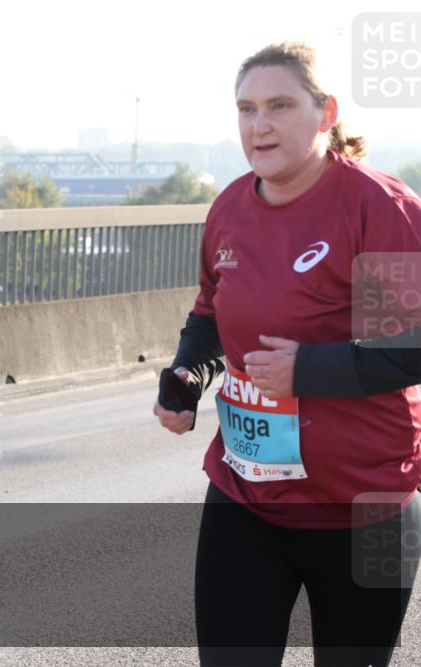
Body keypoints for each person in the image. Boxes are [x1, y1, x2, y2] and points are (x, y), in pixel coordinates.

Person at [153, 42, 421, 666]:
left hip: (363, 506)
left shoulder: (381, 208)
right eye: (246, 108)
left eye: (279, 105)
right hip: (248, 495)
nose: (259, 124)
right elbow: (211, 315)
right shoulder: (229, 209)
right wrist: (189, 375)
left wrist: (312, 369)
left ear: (325, 113)